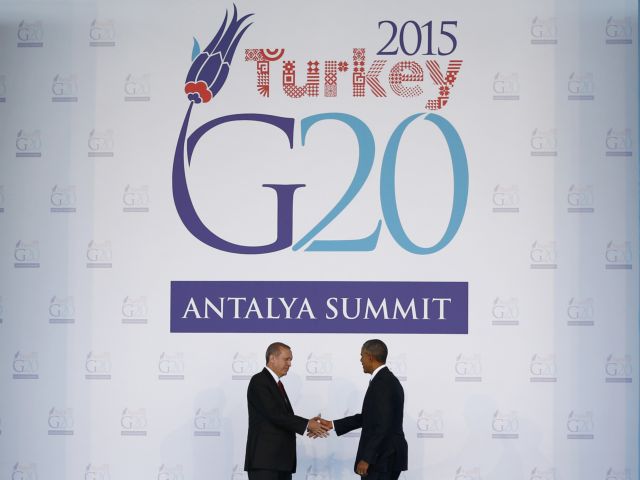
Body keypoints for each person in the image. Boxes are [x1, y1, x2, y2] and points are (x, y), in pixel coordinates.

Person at [315, 339, 408, 479]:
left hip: (383, 458)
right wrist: (332, 424)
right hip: (385, 456)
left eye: (362, 356)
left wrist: (367, 458)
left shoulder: (383, 383)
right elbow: (367, 418)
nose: (360, 360)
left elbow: (383, 425)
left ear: (370, 357)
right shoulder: (384, 380)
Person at [244, 342, 328, 480]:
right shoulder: (259, 381)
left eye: (291, 360)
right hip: (265, 462)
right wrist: (307, 424)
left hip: (281, 462)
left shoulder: (276, 384)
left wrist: (308, 423)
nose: (289, 364)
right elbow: (275, 415)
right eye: (286, 359)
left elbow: (283, 416)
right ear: (272, 358)